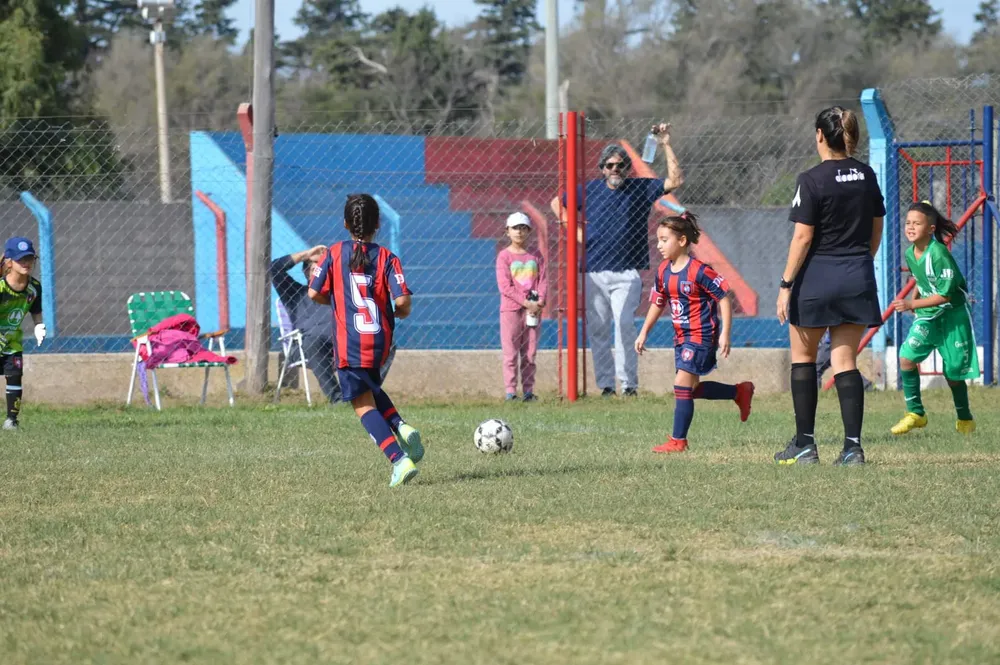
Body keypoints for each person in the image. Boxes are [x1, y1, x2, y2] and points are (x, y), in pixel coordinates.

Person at [774, 106, 885, 466]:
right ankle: (853, 448)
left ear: (820, 135)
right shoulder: (866, 175)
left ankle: (805, 444)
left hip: (816, 280)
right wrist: (859, 260)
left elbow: (803, 237)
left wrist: (786, 284)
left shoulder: (811, 179)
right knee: (844, 360)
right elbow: (876, 225)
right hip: (856, 276)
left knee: (804, 359)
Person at [550, 122, 684, 398]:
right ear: (602, 168)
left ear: (627, 168)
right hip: (594, 270)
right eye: (610, 165)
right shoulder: (590, 189)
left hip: (627, 271)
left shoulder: (640, 188)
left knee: (624, 324)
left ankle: (628, 385)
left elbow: (675, 181)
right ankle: (606, 386)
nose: (615, 170)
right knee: (598, 328)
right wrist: (573, 229)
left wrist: (666, 144)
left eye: (621, 165)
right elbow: (556, 203)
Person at [308, 194, 422, 488]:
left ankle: (399, 460)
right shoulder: (387, 257)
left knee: (362, 405)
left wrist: (335, 301)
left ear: (345, 223)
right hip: (380, 341)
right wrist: (399, 312)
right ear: (378, 224)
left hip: (350, 343)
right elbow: (404, 301)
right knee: (370, 389)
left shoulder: (334, 253)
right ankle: (401, 425)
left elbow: (314, 292)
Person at [634, 212, 754, 453]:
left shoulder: (699, 271)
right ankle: (738, 391)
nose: (659, 245)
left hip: (701, 337)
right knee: (691, 389)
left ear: (682, 240)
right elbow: (658, 303)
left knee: (681, 385)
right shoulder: (663, 272)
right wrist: (644, 331)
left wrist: (725, 334)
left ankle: (678, 441)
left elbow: (724, 298)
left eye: (664, 239)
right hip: (681, 338)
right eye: (658, 239)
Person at [890, 201, 978, 436]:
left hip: (952, 316)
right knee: (907, 358)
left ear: (930, 228)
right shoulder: (910, 253)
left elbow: (945, 294)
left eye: (916, 223)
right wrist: (915, 295)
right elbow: (922, 279)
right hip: (928, 316)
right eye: (908, 223)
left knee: (953, 373)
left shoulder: (938, 253)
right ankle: (916, 413)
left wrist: (911, 304)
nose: (910, 227)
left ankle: (965, 418)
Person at [270, 246, 342, 402]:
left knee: (385, 341)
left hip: (342, 344)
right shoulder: (295, 294)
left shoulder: (340, 294)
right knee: (312, 342)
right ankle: (338, 399)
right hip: (307, 346)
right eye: (316, 270)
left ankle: (368, 394)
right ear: (306, 272)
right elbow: (274, 269)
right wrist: (306, 255)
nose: (321, 274)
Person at [495, 212, 547, 402]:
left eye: (523, 228)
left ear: (529, 231)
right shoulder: (504, 257)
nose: (519, 232)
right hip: (511, 311)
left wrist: (539, 301)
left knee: (529, 353)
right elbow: (505, 286)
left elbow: (542, 280)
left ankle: (528, 391)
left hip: (532, 311)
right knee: (510, 352)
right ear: (507, 231)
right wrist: (525, 302)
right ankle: (510, 391)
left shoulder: (535, 255)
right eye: (515, 228)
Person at [0, 237, 46, 431]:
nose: (26, 263)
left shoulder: (34, 287)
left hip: (12, 342)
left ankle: (11, 420)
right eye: (21, 259)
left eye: (29, 258)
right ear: (9, 261)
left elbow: (36, 311)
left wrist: (39, 326)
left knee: (15, 376)